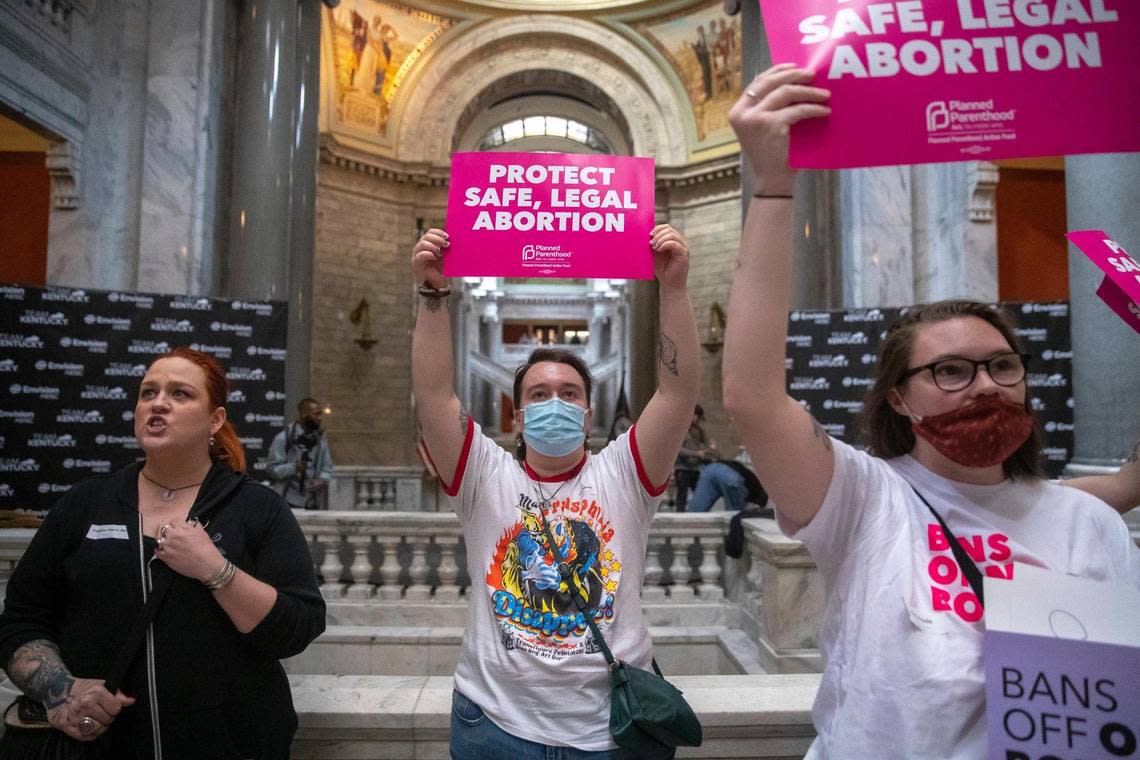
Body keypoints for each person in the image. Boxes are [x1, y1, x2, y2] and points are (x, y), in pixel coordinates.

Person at [721, 64, 1140, 759]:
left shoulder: (1088, 524)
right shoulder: (863, 497)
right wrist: (772, 186)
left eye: (1003, 365)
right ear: (898, 397)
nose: (985, 386)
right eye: (950, 370)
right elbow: (752, 397)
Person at [410, 224, 699, 757]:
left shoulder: (626, 473)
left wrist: (674, 289)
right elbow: (432, 395)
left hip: (610, 731)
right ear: (518, 414)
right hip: (493, 724)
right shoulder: (483, 475)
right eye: (539, 394)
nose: (555, 403)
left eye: (569, 393)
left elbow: (678, 393)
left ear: (588, 410)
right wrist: (432, 293)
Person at [0, 347, 326, 759]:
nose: (158, 403)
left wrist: (216, 570)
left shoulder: (257, 509)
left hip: (230, 745)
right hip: (101, 747)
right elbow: (20, 621)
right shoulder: (85, 504)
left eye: (180, 394)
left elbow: (299, 626)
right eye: (147, 392)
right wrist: (62, 690)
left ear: (216, 420)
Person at [267, 397, 333, 510]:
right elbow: (272, 470)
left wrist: (321, 480)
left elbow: (327, 467)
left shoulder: (320, 441)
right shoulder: (283, 438)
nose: (320, 418)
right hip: (287, 502)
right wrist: (294, 467)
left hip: (312, 502)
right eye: (316, 414)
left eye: (320, 414)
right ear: (303, 415)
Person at [688, 453, 767, 513]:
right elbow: (755, 509)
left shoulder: (754, 481)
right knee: (734, 515)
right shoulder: (761, 494)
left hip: (710, 469)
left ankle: (689, 532)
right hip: (731, 476)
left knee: (696, 511)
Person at [673, 404, 716, 511]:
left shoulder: (699, 430)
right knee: (682, 495)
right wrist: (697, 454)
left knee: (699, 493)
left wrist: (710, 445)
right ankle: (680, 515)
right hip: (682, 467)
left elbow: (707, 441)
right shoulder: (680, 429)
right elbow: (678, 449)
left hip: (695, 467)